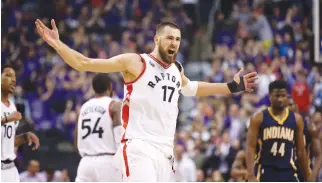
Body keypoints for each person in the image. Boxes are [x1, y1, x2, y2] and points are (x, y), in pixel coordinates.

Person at [35, 19, 257, 181]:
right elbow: (84, 63)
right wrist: (57, 44)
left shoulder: (176, 69)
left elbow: (191, 88)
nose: (175, 43)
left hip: (165, 151)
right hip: (139, 146)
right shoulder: (136, 62)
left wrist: (230, 87)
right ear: (157, 39)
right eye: (170, 38)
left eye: (178, 39)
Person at [246, 80, 311, 182]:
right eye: (277, 96)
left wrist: (308, 175)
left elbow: (301, 151)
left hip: (288, 170)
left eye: (283, 96)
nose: (280, 99)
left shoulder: (296, 119)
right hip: (266, 170)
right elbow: (250, 147)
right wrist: (250, 174)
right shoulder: (258, 118)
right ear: (270, 96)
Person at [74, 73, 122, 182]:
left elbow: (76, 145)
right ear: (110, 87)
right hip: (107, 162)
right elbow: (120, 139)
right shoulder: (114, 105)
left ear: (93, 88)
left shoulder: (82, 108)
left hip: (85, 163)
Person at [1, 64, 40, 182]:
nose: (13, 80)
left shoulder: (12, 107)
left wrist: (24, 137)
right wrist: (6, 119)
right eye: (8, 75)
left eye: (14, 78)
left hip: (10, 169)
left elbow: (7, 140)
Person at [288, 96, 322, 181]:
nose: (288, 108)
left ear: (296, 106)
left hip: (305, 174)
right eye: (285, 106)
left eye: (290, 104)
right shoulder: (278, 128)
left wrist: (313, 175)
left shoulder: (309, 126)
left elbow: (318, 154)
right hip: (286, 174)